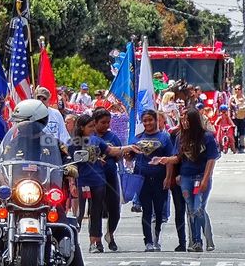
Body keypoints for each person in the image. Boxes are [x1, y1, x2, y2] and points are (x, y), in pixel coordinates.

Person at [1, 99, 90, 266]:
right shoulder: (11, 142)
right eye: (18, 122)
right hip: (18, 193)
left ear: (37, 121)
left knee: (68, 230)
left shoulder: (51, 141)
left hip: (44, 196)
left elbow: (66, 158)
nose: (20, 126)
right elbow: (2, 162)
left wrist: (70, 166)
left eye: (23, 121)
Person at [153, 108, 220, 253]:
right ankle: (196, 241)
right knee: (190, 210)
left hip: (201, 175)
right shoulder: (180, 137)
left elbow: (211, 159)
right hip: (186, 177)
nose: (184, 122)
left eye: (187, 119)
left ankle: (208, 237)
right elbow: (178, 157)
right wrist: (165, 160)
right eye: (182, 119)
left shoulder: (207, 137)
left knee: (198, 208)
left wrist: (205, 179)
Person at [69, 114, 134, 253]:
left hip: (99, 181)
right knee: (79, 213)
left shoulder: (97, 141)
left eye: (93, 126)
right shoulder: (74, 142)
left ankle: (95, 241)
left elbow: (111, 151)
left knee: (96, 211)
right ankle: (72, 242)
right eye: (90, 126)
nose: (93, 129)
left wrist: (129, 147)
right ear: (81, 127)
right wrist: (72, 183)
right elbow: (70, 164)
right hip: (82, 181)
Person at [132, 110, 173, 251]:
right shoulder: (137, 137)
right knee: (146, 211)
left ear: (156, 120)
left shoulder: (165, 137)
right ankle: (148, 241)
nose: (148, 123)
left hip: (159, 179)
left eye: (150, 120)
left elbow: (169, 160)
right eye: (145, 121)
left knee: (159, 210)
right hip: (142, 179)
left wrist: (168, 178)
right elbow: (130, 156)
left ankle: (157, 237)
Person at [92, 109, 122, 252]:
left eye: (108, 122)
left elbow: (119, 155)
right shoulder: (88, 136)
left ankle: (110, 234)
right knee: (96, 209)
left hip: (110, 176)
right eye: (102, 123)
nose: (106, 125)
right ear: (95, 122)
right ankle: (95, 241)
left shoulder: (113, 137)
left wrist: (115, 153)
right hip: (94, 178)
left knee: (114, 209)